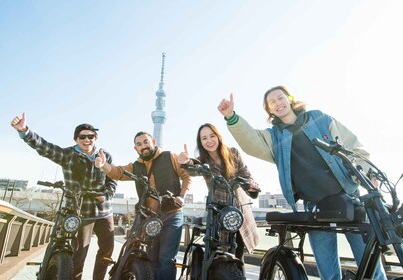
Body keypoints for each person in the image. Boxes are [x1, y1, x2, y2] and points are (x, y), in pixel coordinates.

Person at [217, 87, 387, 280]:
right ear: (269, 110)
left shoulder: (319, 118)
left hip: (349, 197)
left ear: (290, 99)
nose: (278, 103)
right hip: (315, 207)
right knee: (328, 273)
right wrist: (231, 117)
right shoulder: (275, 137)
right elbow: (252, 141)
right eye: (272, 102)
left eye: (280, 98)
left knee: (373, 268)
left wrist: (369, 173)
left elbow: (352, 147)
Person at [10, 113, 117, 280]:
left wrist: (106, 195)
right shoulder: (68, 155)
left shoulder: (105, 156)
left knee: (106, 251)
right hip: (81, 211)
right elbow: (45, 147)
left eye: (91, 136)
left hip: (104, 211)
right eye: (83, 137)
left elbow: (112, 180)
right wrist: (25, 131)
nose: (87, 140)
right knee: (79, 253)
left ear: (95, 138)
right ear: (76, 139)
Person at [94, 131, 191, 280]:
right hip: (150, 217)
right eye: (139, 144)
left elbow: (186, 176)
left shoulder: (169, 156)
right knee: (150, 258)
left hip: (172, 214)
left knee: (166, 259)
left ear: (153, 141)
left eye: (146, 142)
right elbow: (117, 172)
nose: (143, 146)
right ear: (136, 149)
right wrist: (104, 166)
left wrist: (182, 196)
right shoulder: (135, 166)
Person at [177, 123, 260, 264]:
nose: (209, 141)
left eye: (212, 136)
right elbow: (193, 167)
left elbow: (246, 175)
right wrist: (186, 162)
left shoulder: (233, 153)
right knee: (218, 255)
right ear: (200, 142)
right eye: (204, 138)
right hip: (217, 211)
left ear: (218, 137)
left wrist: (251, 186)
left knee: (238, 256)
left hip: (237, 209)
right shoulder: (203, 160)